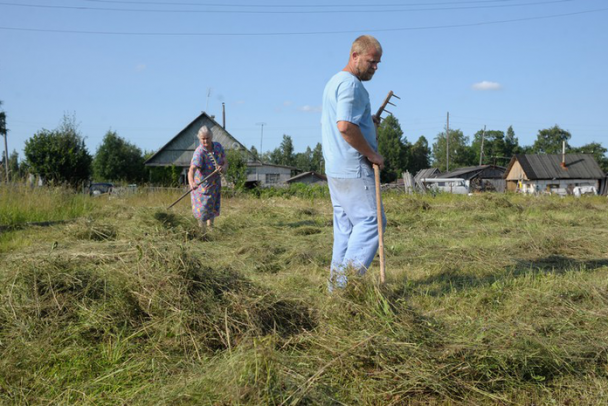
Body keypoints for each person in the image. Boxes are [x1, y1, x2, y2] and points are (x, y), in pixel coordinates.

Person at [321, 35, 387, 291]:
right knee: (372, 221)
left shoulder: (334, 82)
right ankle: (347, 287)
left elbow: (349, 120)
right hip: (354, 168)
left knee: (345, 229)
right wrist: (372, 154)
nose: (375, 67)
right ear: (355, 56)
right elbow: (345, 126)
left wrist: (367, 121)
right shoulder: (352, 86)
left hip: (336, 169)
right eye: (372, 61)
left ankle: (335, 289)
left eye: (378, 63)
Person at [188, 125, 228, 231]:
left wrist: (223, 168)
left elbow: (225, 162)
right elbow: (192, 169)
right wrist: (191, 183)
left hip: (214, 186)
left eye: (207, 138)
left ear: (211, 137)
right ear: (200, 139)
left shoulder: (218, 147)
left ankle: (211, 231)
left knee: (212, 210)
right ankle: (202, 233)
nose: (205, 141)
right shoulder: (199, 152)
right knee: (203, 211)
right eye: (203, 139)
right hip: (202, 188)